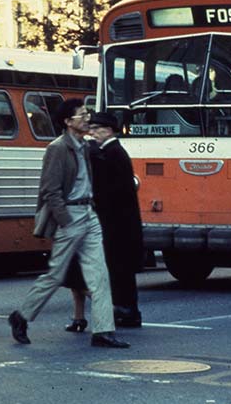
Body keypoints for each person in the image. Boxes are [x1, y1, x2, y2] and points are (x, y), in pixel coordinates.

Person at [8, 99, 129, 348]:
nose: (87, 119)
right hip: (71, 216)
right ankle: (21, 316)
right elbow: (50, 191)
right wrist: (65, 220)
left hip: (88, 213)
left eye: (86, 114)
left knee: (99, 274)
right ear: (67, 122)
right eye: (82, 115)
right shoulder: (57, 148)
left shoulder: (85, 146)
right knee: (56, 274)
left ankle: (103, 331)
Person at [64, 112, 144, 332]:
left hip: (116, 222)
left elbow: (109, 189)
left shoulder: (113, 152)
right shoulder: (111, 152)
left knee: (119, 269)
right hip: (119, 222)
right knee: (118, 268)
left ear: (108, 130)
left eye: (96, 129)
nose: (93, 134)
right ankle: (124, 310)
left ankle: (125, 311)